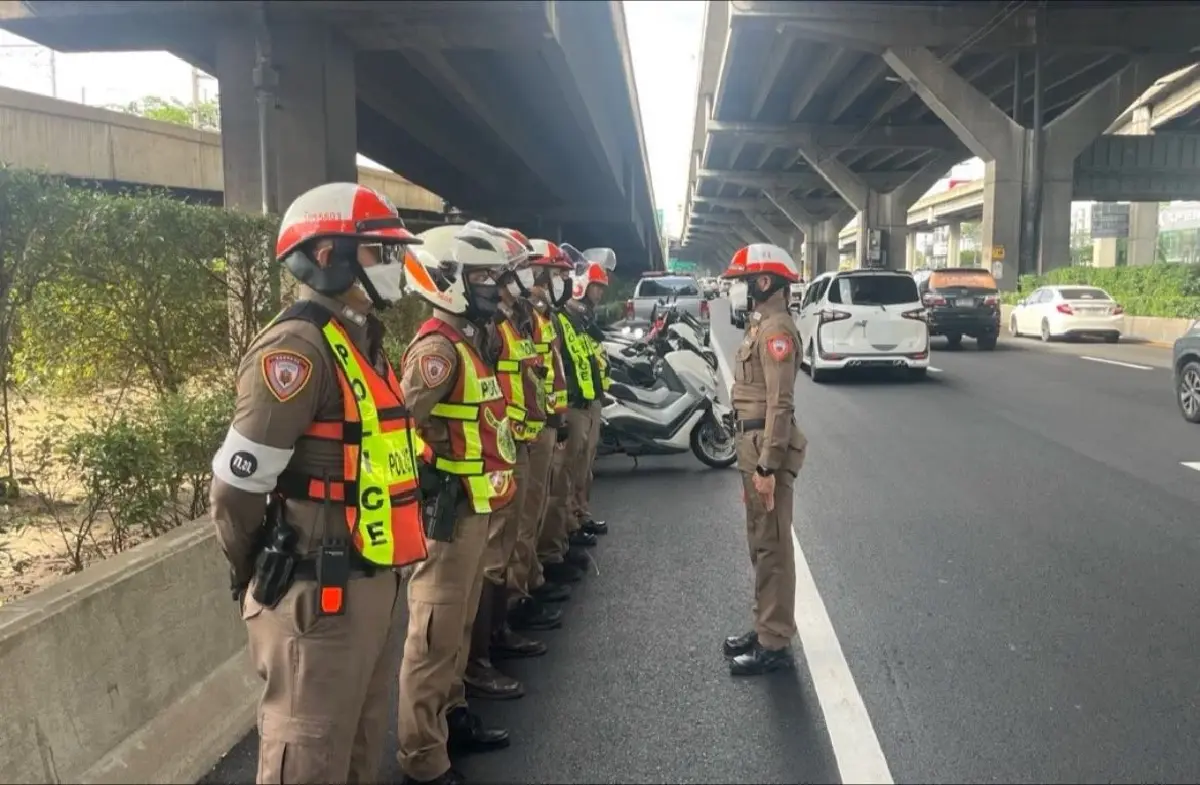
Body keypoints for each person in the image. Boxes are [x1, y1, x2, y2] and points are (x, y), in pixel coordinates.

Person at [209, 182, 429, 785]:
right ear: (329, 255)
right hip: (316, 592)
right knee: (306, 754)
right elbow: (235, 488)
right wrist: (256, 560)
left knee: (357, 743)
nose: (394, 266)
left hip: (369, 578)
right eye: (379, 251)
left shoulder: (358, 339)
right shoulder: (297, 348)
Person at [394, 221, 522, 785]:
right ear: (447, 279)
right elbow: (400, 429)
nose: (495, 286)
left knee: (458, 628)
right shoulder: (437, 352)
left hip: (477, 507)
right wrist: (427, 482)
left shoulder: (471, 339)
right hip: (449, 514)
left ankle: (450, 719)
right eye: (482, 275)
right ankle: (422, 758)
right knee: (431, 636)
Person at [460, 227, 552, 696]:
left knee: (508, 544)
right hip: (488, 459)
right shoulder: (480, 330)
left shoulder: (508, 321)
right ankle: (480, 658)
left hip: (510, 445)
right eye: (503, 274)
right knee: (492, 559)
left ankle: (498, 634)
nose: (513, 281)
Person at [719, 243, 809, 677]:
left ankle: (774, 643)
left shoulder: (776, 331)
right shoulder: (760, 326)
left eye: (743, 282)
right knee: (760, 542)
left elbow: (781, 404)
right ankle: (764, 625)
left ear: (764, 281)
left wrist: (768, 466)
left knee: (772, 545)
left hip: (763, 447)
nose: (738, 290)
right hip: (749, 444)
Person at [505, 237, 575, 626]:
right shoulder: (523, 317)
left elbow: (548, 373)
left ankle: (529, 582)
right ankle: (517, 597)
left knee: (533, 513)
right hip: (525, 433)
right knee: (523, 520)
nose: (564, 280)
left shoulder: (539, 315)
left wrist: (557, 420)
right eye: (558, 273)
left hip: (542, 425)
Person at [536, 246, 605, 583]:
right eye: (556, 275)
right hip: (559, 415)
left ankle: (565, 537)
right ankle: (551, 554)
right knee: (557, 487)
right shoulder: (556, 321)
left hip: (577, 406)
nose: (562, 282)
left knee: (575, 478)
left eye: (565, 275)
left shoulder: (572, 320)